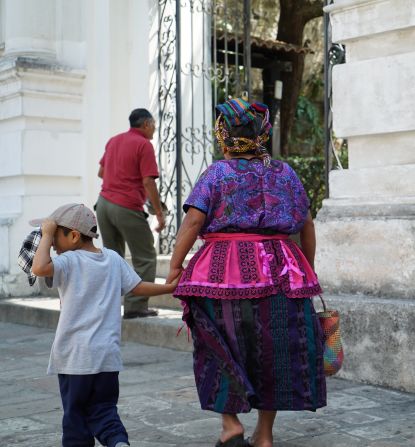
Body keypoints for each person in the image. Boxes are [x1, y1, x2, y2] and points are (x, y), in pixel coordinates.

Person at [167, 98, 326, 447]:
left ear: (224, 136)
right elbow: (307, 222)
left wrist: (175, 264)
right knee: (277, 351)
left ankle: (231, 425)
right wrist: (306, 268)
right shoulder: (284, 172)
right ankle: (264, 435)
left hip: (221, 273)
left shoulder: (217, 173)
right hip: (283, 270)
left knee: (216, 345)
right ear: (262, 135)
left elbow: (194, 219)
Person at [30, 203, 180, 447]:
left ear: (74, 236)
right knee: (104, 411)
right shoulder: (112, 258)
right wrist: (169, 288)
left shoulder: (68, 262)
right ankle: (118, 442)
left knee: (76, 417)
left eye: (56, 235)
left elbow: (38, 267)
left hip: (74, 359)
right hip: (106, 357)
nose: (53, 244)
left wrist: (45, 234)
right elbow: (138, 286)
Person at [96, 108, 165, 319]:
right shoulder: (144, 144)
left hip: (104, 205)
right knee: (144, 257)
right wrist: (159, 214)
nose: (154, 128)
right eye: (153, 124)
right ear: (145, 124)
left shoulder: (114, 140)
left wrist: (119, 180)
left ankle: (107, 305)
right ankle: (135, 307)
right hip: (126, 206)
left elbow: (101, 172)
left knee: (111, 258)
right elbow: (148, 181)